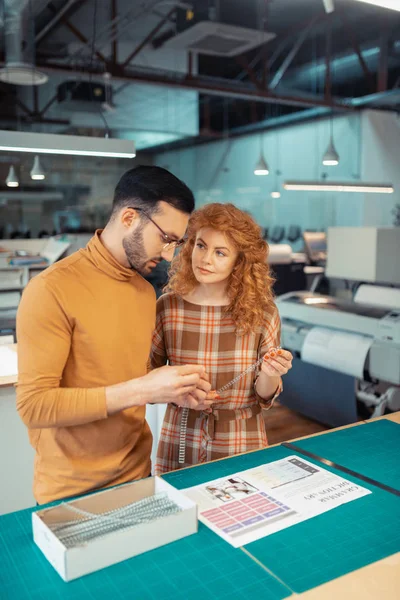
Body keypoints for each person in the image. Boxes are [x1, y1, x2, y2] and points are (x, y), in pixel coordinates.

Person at [16, 165, 213, 505]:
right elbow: (35, 406)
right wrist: (143, 388)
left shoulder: (143, 291)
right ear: (128, 218)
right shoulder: (51, 289)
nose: (169, 255)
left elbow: (119, 380)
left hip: (138, 474)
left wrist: (168, 391)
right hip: (71, 491)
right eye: (166, 239)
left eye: (176, 244)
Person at [151, 203, 293, 475]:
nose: (205, 259)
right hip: (180, 436)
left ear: (239, 262)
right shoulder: (168, 307)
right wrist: (181, 396)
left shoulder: (263, 313)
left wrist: (270, 372)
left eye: (220, 253)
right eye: (201, 246)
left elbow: (264, 396)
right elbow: (148, 373)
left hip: (241, 437)